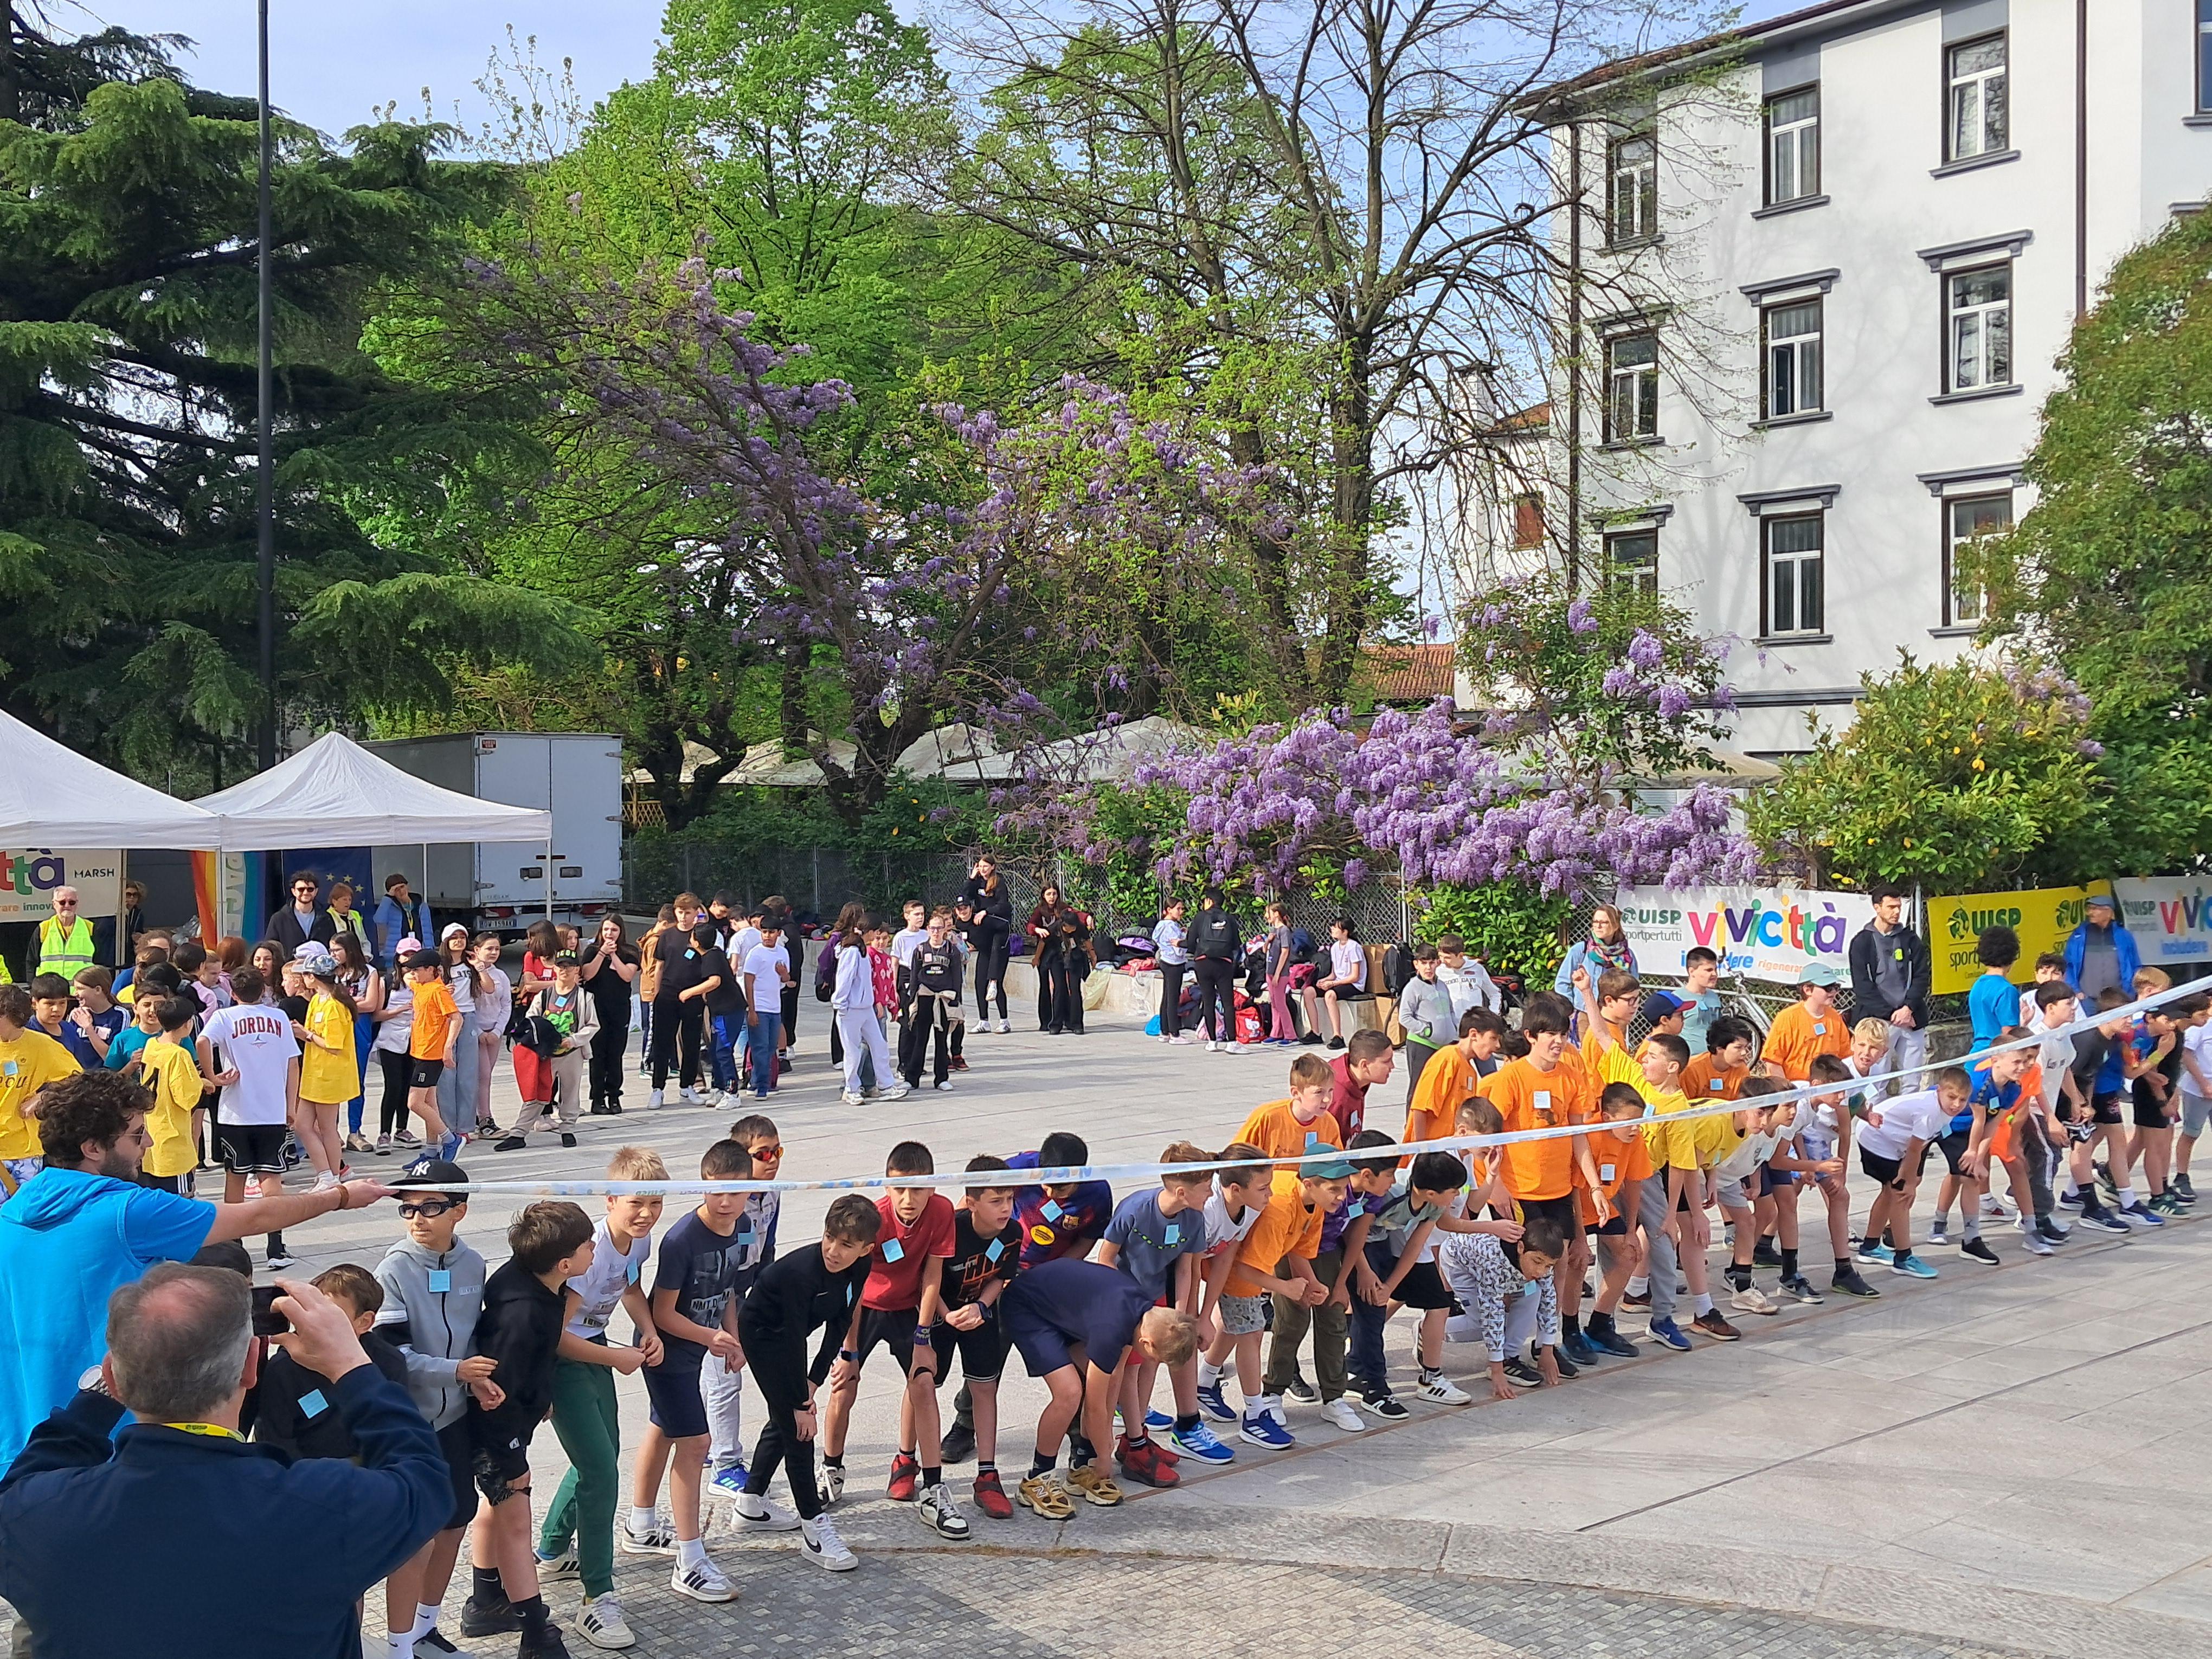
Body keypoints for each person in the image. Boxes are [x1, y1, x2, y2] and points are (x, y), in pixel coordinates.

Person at [0, 1265, 447, 1659]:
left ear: (114, 1378)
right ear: (252, 1367)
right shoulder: (323, 1508)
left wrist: (94, 1403)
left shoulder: (38, 1515)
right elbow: (424, 1480)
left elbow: (25, 1478)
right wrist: (351, 1364)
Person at [0, 1070, 389, 1471]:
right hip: (107, 1444)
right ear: (93, 1147)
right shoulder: (127, 1212)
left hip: (21, 1443)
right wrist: (340, 1196)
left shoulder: (12, 1213)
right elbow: (257, 1215)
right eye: (136, 1135)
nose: (148, 1143)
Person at [536, 1149, 664, 1652]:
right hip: (564, 1360)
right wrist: (616, 1359)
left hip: (599, 1348)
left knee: (600, 1460)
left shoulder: (639, 1241)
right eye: (635, 1203)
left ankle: (550, 1549)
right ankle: (597, 1596)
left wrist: (648, 1329)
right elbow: (554, 1333)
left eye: (655, 1203)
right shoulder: (587, 1254)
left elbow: (630, 1287)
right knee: (602, 1472)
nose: (646, 1213)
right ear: (610, 1199)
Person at [459, 1201, 596, 1659]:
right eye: (586, 1245)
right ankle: (537, 1637)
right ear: (564, 1264)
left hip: (511, 1420)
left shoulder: (535, 1282)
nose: (592, 1250)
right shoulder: (523, 1314)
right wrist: (513, 1460)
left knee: (498, 1509)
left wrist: (541, 1395)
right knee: (517, 1520)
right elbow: (496, 1395)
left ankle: (486, 1600)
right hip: (495, 1430)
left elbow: (527, 1369)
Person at [374, 1156, 492, 1659]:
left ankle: (425, 1629)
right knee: (415, 1539)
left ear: (459, 1212)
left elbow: (474, 1340)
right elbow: (393, 1355)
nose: (418, 1219)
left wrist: (481, 1383)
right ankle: (399, 1645)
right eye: (408, 1209)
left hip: (457, 1419)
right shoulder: (393, 1269)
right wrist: (457, 1373)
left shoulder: (474, 1264)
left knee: (456, 1522)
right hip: (410, 1426)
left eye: (432, 1207)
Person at [819, 1141, 968, 1538]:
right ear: (886, 1187)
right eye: (900, 1188)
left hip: (908, 1309)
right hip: (863, 1308)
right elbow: (854, 1281)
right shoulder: (875, 1218)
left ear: (933, 1188)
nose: (908, 1198)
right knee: (843, 1386)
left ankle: (934, 1488)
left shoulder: (941, 1213)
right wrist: (848, 1350)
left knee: (924, 1384)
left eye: (918, 1188)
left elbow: (933, 1275)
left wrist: (923, 1338)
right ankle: (831, 1470)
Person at [629, 1140, 752, 1601]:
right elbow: (663, 1313)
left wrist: (731, 1338)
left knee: (663, 1429)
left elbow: (729, 1291)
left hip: (699, 1349)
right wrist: (710, 1338)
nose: (725, 1202)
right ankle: (690, 1558)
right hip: (667, 1355)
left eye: (736, 1193)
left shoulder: (743, 1231)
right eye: (716, 1190)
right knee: (697, 1443)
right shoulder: (682, 1239)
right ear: (702, 1186)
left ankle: (641, 1524)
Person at [734, 1193, 880, 1572]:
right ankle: (815, 1530)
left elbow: (841, 1323)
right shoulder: (802, 1273)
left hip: (790, 1337)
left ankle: (751, 1503)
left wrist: (814, 1382)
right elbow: (792, 1338)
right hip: (763, 1334)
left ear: (866, 1249)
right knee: (799, 1431)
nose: (833, 1250)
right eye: (829, 1237)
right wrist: (802, 1403)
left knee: (786, 1420)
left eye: (846, 1245)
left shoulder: (860, 1268)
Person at [999, 1257, 1199, 1517]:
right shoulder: (1113, 1328)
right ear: (1147, 1343)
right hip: (1027, 1306)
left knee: (1109, 1377)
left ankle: (1082, 1463)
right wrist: (1105, 1459)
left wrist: (1098, 1455)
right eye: (1155, 1359)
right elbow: (1095, 1407)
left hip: (1061, 1306)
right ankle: (1037, 1477)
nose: (1152, 1363)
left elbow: (1110, 1383)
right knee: (1070, 1393)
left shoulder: (1143, 1312)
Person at [1095, 1143, 1211, 1485]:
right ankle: (1122, 1444)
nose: (1210, 1195)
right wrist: (1126, 1305)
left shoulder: (1194, 1218)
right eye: (1206, 1189)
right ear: (1181, 1191)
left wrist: (1182, 1318)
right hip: (1125, 1300)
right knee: (1124, 1374)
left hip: (1157, 1299)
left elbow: (1187, 1269)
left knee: (1149, 1367)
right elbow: (1106, 1258)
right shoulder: (1135, 1209)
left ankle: (1136, 1437)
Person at [929, 1158, 1023, 1518]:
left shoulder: (1014, 1232)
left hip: (979, 1315)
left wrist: (983, 1307)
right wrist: (944, 1314)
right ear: (971, 1203)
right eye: (995, 1201)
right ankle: (906, 1460)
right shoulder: (949, 1229)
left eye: (1009, 1199)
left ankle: (987, 1475)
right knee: (922, 1383)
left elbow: (1000, 1278)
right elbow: (928, 1279)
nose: (1005, 1208)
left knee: (985, 1387)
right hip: (939, 1313)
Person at [194, 968, 306, 1268]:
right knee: (271, 1178)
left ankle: (234, 1247)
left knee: (236, 1178)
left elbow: (202, 1043)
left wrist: (212, 1077)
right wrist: (290, 1105)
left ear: (233, 992)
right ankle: (276, 1248)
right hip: (271, 1110)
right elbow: (292, 1064)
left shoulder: (224, 1017)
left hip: (236, 1112)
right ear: (264, 990)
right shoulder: (279, 1017)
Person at [254, 1263, 413, 1461]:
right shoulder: (284, 1368)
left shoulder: (389, 1363)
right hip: (306, 1478)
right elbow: (276, 1441)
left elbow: (396, 1433)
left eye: (332, 1314)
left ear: (364, 1322)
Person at [1440, 1212, 1570, 1398]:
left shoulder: (1541, 1258)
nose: (1541, 1271)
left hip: (1503, 1269)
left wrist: (1547, 1349)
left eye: (1549, 1266)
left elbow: (1550, 1299)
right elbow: (1491, 1315)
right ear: (1521, 1247)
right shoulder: (1493, 1263)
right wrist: (1496, 1371)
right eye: (1537, 1262)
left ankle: (1510, 1358)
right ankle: (1429, 1328)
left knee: (1535, 1292)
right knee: (1480, 1322)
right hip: (1459, 1262)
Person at [502, 953, 597, 1151]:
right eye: (561, 966)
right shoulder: (544, 995)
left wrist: (573, 1040)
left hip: (571, 1053)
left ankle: (568, 1129)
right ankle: (519, 1133)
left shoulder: (584, 997)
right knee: (537, 1091)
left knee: (570, 1092)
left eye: (570, 967)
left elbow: (592, 1025)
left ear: (577, 970)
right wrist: (540, 1037)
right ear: (555, 969)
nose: (565, 970)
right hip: (546, 1053)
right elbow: (531, 1018)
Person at [1849, 884, 1931, 1099]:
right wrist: (1891, 1015)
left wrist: (1908, 1008)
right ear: (1877, 908)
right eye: (1891, 907)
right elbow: (1862, 986)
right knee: (1877, 1080)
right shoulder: (1862, 942)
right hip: (1879, 1021)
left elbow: (1922, 977)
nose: (1896, 912)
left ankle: (1906, 1125)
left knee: (1912, 1079)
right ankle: (1875, 1127)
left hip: (1911, 1018)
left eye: (1899, 907)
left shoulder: (1911, 940)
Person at [0, 981, 81, 1195]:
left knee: (21, 1214)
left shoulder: (42, 1046)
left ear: (12, 1016)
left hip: (22, 1150)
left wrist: (42, 1097)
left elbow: (76, 1079)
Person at [293, 945, 358, 1190]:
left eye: (306, 974)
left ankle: (331, 1174)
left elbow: (333, 1045)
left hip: (329, 1074)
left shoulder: (334, 1005)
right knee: (303, 1125)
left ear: (314, 977)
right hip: (314, 1073)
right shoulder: (317, 1001)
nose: (302, 978)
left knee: (328, 1128)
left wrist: (306, 1034)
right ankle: (327, 1173)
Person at [135, 995, 204, 1197]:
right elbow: (186, 1098)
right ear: (187, 1024)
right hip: (173, 1139)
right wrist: (201, 1084)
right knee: (182, 1198)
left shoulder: (152, 1045)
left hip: (151, 1131)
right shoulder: (179, 1054)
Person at [833, 914, 903, 1105]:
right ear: (870, 931)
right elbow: (844, 979)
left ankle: (887, 1086)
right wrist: (841, 1005)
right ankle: (852, 1089)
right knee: (853, 1051)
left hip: (865, 1009)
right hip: (850, 1009)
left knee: (879, 1046)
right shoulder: (852, 951)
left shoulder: (862, 951)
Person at [647, 893, 708, 1108]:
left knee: (691, 1043)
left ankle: (687, 1086)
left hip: (693, 996)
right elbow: (660, 966)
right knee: (663, 1043)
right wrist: (657, 993)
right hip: (667, 995)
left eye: (688, 912)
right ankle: (658, 1088)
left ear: (696, 913)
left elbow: (709, 963)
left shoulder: (701, 935)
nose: (683, 917)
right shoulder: (667, 936)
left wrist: (701, 993)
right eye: (680, 912)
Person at [401, 950, 459, 1159]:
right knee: (430, 1102)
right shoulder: (421, 986)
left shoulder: (438, 991)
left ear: (430, 970)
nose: (413, 973)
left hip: (431, 1053)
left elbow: (456, 1018)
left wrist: (448, 1047)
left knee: (414, 1103)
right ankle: (432, 1150)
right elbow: (406, 976)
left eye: (418, 969)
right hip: (420, 1050)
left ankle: (451, 1139)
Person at [330, 933, 385, 1155]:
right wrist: (355, 1003)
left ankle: (355, 1131)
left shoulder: (369, 972)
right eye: (331, 950)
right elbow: (327, 1000)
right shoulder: (332, 972)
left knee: (357, 1080)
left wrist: (347, 1003)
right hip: (335, 1026)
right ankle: (331, 1133)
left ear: (350, 949)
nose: (333, 955)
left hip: (359, 1028)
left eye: (337, 950)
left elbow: (371, 1004)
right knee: (332, 1082)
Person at [897, 908, 963, 1093]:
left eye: (939, 928)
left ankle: (942, 1078)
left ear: (945, 930)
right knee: (920, 1039)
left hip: (943, 999)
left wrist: (955, 999)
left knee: (941, 1041)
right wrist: (912, 1000)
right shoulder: (920, 950)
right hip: (925, 997)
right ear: (928, 929)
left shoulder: (952, 951)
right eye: (933, 928)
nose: (935, 932)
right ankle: (912, 1078)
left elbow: (957, 976)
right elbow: (914, 977)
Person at [580, 917, 638, 1116]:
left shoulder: (630, 952)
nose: (609, 934)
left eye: (614, 930)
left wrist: (614, 956)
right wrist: (602, 953)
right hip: (595, 1010)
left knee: (615, 1054)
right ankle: (597, 1098)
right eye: (606, 929)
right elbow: (587, 975)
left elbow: (627, 976)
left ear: (620, 931)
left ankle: (614, 1095)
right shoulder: (591, 951)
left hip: (619, 1009)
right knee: (597, 1056)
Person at [957, 855, 1015, 1033]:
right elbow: (964, 897)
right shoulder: (977, 883)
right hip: (986, 933)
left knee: (996, 981)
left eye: (985, 866)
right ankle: (984, 1021)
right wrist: (971, 878)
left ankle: (1004, 1020)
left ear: (993, 867)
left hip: (998, 927)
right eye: (980, 866)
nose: (982, 869)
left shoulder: (999, 882)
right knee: (980, 980)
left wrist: (985, 912)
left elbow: (1004, 906)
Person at [740, 915, 792, 1099]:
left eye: (771, 932)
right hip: (759, 1007)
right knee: (760, 1048)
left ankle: (755, 1082)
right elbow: (749, 983)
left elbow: (787, 981)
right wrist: (751, 1010)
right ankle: (762, 1086)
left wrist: (784, 974)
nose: (767, 936)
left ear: (779, 933)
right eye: (764, 932)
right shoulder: (756, 954)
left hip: (775, 1008)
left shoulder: (783, 953)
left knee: (770, 1048)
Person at [1397, 943, 1454, 1108]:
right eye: (1424, 963)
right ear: (1416, 964)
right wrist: (1426, 1030)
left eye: (1431, 962)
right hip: (1422, 1045)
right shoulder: (1413, 987)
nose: (1428, 967)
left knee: (1440, 1087)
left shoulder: (1442, 985)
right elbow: (1404, 1017)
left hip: (1444, 1046)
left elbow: (1450, 1011)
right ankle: (1411, 1128)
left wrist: (1454, 1029)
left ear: (1437, 963)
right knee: (1418, 1088)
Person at [1186, 886, 1243, 1052]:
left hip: (1203, 963)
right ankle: (1232, 1042)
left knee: (1208, 1001)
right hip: (1224, 965)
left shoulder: (1200, 917)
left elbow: (1190, 944)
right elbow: (1236, 945)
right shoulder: (1230, 919)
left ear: (1209, 901)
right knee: (1228, 1003)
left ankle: (1212, 1042)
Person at [2065, 891, 2142, 1006]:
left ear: (2109, 912)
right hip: (2086, 1001)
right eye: (2090, 909)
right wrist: (2076, 991)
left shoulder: (2124, 936)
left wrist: (2129, 994)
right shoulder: (2078, 936)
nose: (2090, 913)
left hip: (2118, 1000)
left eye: (2095, 909)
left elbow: (2135, 966)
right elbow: (2068, 966)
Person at [1553, 902, 1636, 1001]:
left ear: (1616, 926)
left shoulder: (1627, 956)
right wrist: (1571, 1009)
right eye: (1595, 922)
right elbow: (1562, 983)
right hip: (1584, 1012)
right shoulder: (1581, 950)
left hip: (1612, 1014)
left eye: (1604, 922)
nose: (1598, 926)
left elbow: (1633, 987)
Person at [1313, 918, 1367, 1049]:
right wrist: (1325, 980)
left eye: (1336, 927)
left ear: (1345, 931)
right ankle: (1315, 1033)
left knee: (1330, 995)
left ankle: (1338, 1036)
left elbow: (1355, 977)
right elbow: (1334, 974)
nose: (1332, 929)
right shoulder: (1334, 947)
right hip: (1339, 982)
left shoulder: (1354, 947)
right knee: (1309, 992)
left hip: (1354, 985)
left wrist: (1333, 984)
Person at [29, 885, 97, 981]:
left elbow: (99, 962)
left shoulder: (89, 928)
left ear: (77, 904)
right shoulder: (44, 928)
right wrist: (33, 987)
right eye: (62, 902)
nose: (67, 906)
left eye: (72, 902)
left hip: (80, 992)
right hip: (50, 990)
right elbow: (31, 962)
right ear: (54, 904)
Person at [371, 875, 433, 970]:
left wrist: (429, 951)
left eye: (402, 887)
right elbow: (378, 920)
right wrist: (388, 898)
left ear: (408, 886)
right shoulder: (390, 907)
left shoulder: (421, 905)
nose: (401, 891)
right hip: (396, 956)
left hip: (420, 953)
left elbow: (428, 930)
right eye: (396, 890)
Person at [1152, 897, 1192, 1045]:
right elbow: (1179, 949)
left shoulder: (1161, 925)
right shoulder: (1171, 927)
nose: (1181, 912)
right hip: (1174, 963)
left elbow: (1156, 938)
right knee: (1173, 998)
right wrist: (1183, 939)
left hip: (1165, 961)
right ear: (1169, 910)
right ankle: (1174, 1033)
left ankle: (1164, 1031)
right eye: (1178, 909)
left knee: (1167, 997)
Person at [266, 872, 335, 955]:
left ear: (316, 892)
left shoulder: (326, 918)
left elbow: (334, 947)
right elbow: (270, 949)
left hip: (320, 967)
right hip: (289, 967)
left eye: (310, 889)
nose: (306, 893)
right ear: (294, 891)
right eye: (301, 889)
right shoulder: (279, 919)